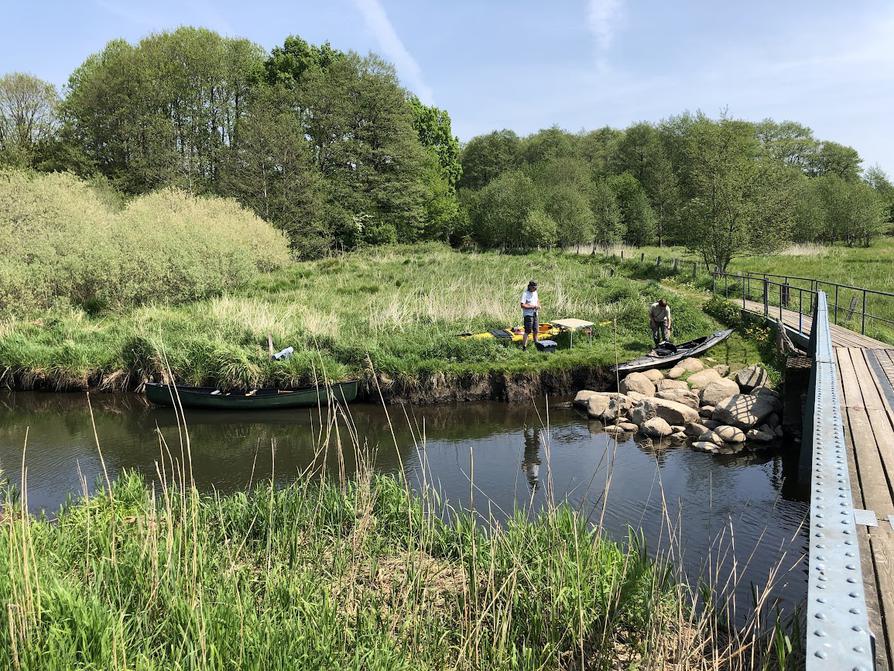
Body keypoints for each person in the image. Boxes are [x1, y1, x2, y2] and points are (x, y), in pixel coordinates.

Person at [520, 280, 540, 350]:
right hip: (528, 315)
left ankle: (536, 344)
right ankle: (524, 347)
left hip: (535, 313)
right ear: (530, 287)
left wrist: (538, 305)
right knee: (528, 331)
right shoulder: (525, 294)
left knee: (536, 330)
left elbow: (537, 300)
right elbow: (522, 305)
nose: (535, 289)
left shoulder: (535, 292)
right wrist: (532, 307)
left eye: (536, 288)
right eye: (534, 288)